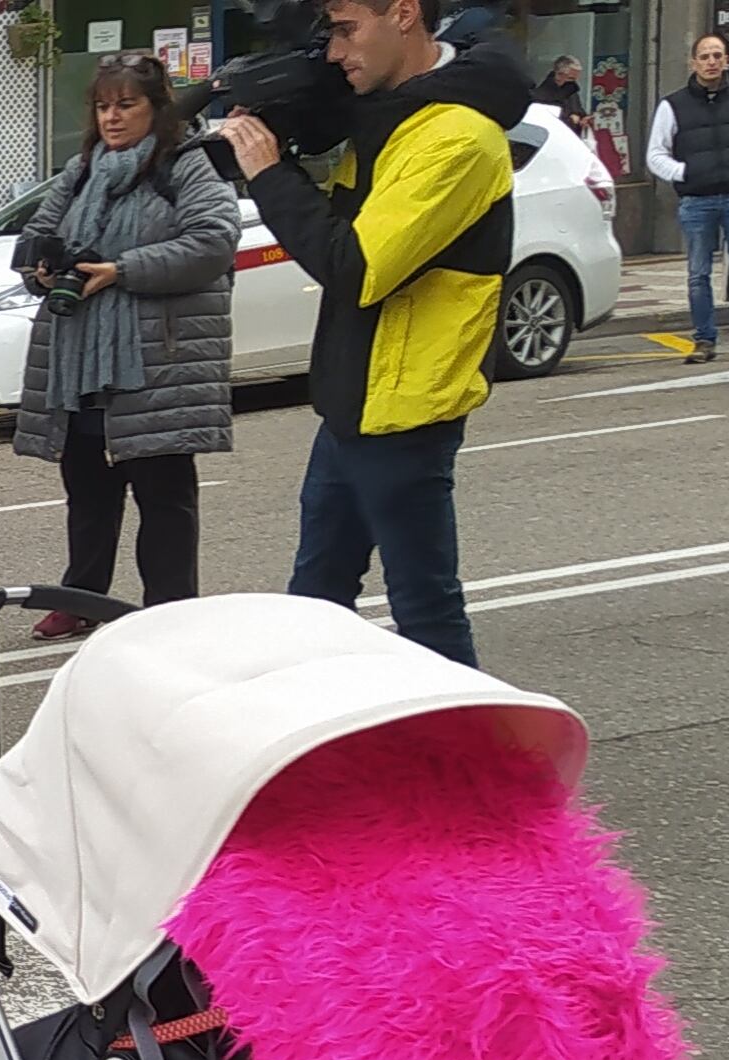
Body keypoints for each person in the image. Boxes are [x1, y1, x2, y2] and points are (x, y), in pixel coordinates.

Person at [220, 0, 526, 669]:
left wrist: (271, 173)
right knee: (316, 602)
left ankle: (465, 766)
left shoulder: (457, 138)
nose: (334, 52)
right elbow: (335, 229)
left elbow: (354, 267)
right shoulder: (393, 117)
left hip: (407, 409)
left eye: (346, 30)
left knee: (426, 612)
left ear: (405, 15)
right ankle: (323, 752)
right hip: (354, 400)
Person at [10, 52, 239, 631]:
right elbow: (37, 236)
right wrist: (40, 268)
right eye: (102, 106)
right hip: (79, 359)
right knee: (87, 491)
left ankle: (169, 612)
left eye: (126, 105)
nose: (112, 118)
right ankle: (83, 599)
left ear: (156, 108)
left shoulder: (184, 165)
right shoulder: (80, 169)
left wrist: (122, 270)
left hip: (156, 362)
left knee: (164, 498)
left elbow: (214, 242)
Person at [648, 35, 729, 362]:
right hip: (696, 201)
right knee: (698, 273)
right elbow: (655, 154)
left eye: (717, 55)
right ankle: (704, 341)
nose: (711, 61)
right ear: (694, 63)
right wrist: (684, 172)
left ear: (726, 60)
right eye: (705, 56)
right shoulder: (672, 105)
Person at [534, 55, 591, 140]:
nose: (573, 82)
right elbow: (546, 123)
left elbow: (579, 110)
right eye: (571, 78)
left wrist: (584, 119)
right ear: (559, 75)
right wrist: (571, 121)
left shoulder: (572, 92)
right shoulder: (541, 95)